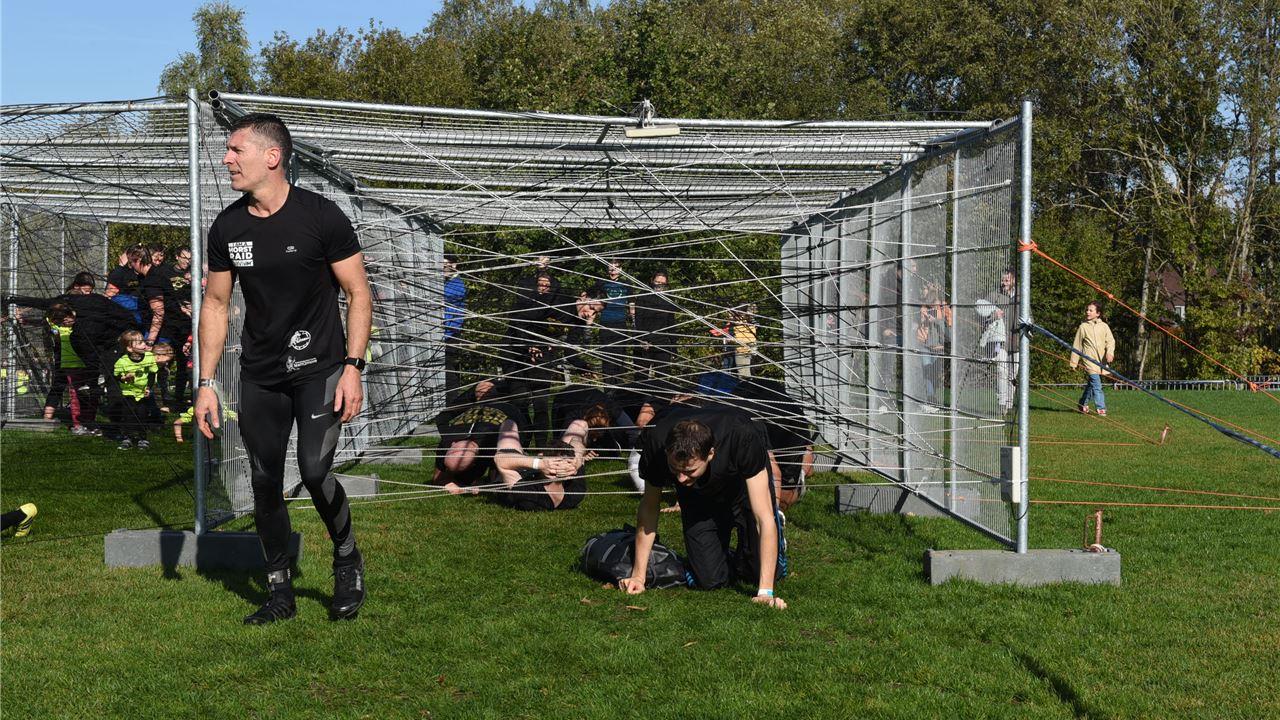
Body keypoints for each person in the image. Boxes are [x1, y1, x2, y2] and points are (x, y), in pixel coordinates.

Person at [195, 113, 372, 625]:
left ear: (272, 157)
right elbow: (216, 305)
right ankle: (279, 591)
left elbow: (358, 292)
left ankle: (347, 559)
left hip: (321, 368)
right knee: (264, 479)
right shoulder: (228, 226)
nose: (227, 159)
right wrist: (205, 383)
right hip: (261, 374)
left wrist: (353, 367)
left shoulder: (321, 216)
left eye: (236, 150)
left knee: (314, 472)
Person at [622, 405, 788, 607]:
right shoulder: (656, 443)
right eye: (675, 469)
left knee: (758, 572)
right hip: (697, 496)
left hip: (743, 488)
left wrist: (765, 592)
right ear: (667, 452)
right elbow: (649, 508)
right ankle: (731, 555)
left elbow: (763, 516)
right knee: (710, 580)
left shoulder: (742, 436)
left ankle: (764, 546)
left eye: (690, 470)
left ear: (710, 454)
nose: (681, 479)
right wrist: (638, 577)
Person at [110, 330, 161, 449]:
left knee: (142, 415)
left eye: (143, 341)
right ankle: (127, 437)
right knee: (128, 416)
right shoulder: (122, 361)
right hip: (128, 393)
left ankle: (142, 438)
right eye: (140, 343)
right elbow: (116, 376)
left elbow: (152, 374)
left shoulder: (149, 357)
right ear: (129, 348)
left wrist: (149, 387)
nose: (144, 344)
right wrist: (124, 378)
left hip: (143, 393)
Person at [1070, 301, 1116, 416]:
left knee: (1092, 384)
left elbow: (1110, 341)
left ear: (1098, 313)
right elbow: (1077, 345)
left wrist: (1110, 353)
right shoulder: (1083, 327)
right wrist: (1074, 362)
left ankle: (1082, 403)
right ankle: (1101, 408)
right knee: (1096, 383)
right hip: (1089, 360)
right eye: (1087, 310)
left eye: (1091, 310)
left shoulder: (1104, 326)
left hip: (1101, 361)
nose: (1087, 312)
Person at [633, 270, 680, 381]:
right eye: (657, 282)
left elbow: (671, 323)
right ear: (652, 281)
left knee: (662, 377)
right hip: (644, 342)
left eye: (662, 283)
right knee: (641, 377)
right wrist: (642, 339)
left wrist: (674, 346)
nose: (659, 285)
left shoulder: (668, 299)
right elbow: (638, 320)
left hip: (662, 342)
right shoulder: (643, 296)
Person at [592, 261, 633, 384]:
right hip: (605, 323)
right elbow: (591, 297)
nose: (613, 270)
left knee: (619, 356)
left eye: (616, 267)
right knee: (607, 357)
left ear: (621, 269)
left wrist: (633, 318)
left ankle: (618, 387)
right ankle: (608, 387)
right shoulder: (601, 283)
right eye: (610, 267)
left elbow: (632, 302)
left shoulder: (626, 283)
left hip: (621, 323)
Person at [442, 255, 466, 395]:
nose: (442, 269)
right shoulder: (448, 283)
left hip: (449, 334)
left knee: (446, 369)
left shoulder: (455, 285)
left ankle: (452, 399)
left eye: (445, 265)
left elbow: (447, 312)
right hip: (447, 333)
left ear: (454, 265)